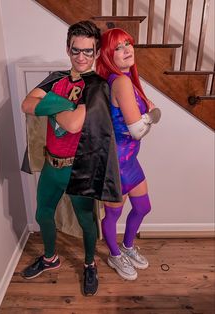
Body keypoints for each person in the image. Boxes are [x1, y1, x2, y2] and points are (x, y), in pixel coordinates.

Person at [20, 21, 121, 296]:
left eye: (88, 51)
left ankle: (90, 264)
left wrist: (50, 105)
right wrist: (66, 104)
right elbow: (27, 104)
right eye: (76, 50)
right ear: (68, 49)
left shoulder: (98, 86)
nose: (81, 57)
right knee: (43, 214)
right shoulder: (55, 77)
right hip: (51, 166)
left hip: (79, 169)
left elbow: (75, 125)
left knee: (87, 222)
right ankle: (50, 258)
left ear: (97, 52)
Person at [96, 28, 161, 280]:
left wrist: (147, 117)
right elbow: (136, 130)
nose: (126, 50)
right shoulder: (120, 81)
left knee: (143, 207)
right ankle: (114, 254)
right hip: (115, 164)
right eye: (118, 48)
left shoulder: (126, 78)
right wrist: (152, 117)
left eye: (128, 44)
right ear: (108, 55)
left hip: (129, 161)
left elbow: (138, 120)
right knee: (113, 213)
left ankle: (128, 246)